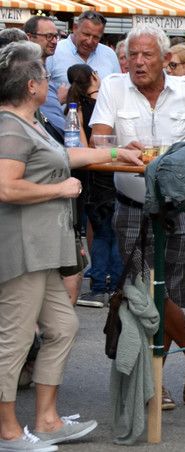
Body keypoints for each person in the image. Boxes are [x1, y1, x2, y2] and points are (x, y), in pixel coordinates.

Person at [0, 41, 141, 452]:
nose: (51, 82)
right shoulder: (10, 126)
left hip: (42, 249)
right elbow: (6, 187)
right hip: (22, 249)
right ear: (31, 85)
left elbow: (63, 155)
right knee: (15, 340)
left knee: (63, 327)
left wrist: (114, 151)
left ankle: (47, 420)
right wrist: (58, 189)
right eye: (45, 76)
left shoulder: (28, 121)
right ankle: (8, 432)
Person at [91, 23, 185, 412]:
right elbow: (98, 140)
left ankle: (161, 374)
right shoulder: (113, 86)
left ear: (165, 59)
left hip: (183, 207)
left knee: (169, 295)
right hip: (132, 207)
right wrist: (117, 147)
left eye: (147, 55)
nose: (139, 62)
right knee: (144, 293)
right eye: (132, 55)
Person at [65, 63, 123, 308]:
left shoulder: (76, 107)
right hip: (116, 169)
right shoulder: (111, 103)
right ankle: (117, 285)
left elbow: (80, 145)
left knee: (101, 233)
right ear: (93, 77)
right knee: (115, 233)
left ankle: (99, 285)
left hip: (93, 175)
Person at [44, 11, 119, 131]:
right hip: (61, 130)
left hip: (100, 130)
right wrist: (58, 100)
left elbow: (117, 92)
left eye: (96, 37)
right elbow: (41, 96)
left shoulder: (109, 55)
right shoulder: (55, 52)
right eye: (86, 34)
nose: (89, 41)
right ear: (75, 28)